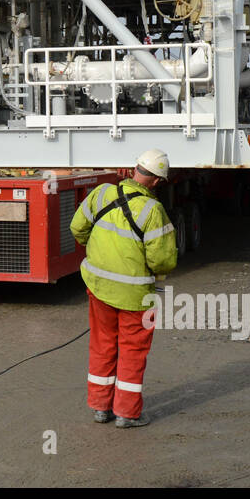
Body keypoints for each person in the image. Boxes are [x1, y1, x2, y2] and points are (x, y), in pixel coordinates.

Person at [71, 149, 177, 428]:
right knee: (132, 350)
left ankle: (100, 408)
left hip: (98, 288)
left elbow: (77, 228)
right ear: (156, 182)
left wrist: (101, 251)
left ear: (134, 169)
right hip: (135, 297)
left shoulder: (101, 193)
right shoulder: (153, 211)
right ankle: (127, 414)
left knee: (102, 345)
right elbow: (162, 260)